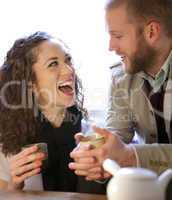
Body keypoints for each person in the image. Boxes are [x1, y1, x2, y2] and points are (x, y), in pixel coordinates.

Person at [69, 0, 172, 181]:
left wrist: (130, 156)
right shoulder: (121, 77)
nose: (111, 47)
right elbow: (116, 134)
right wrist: (97, 153)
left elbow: (126, 154)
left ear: (151, 32)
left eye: (117, 36)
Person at [0, 31, 86, 191]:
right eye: (53, 64)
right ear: (30, 82)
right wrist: (15, 184)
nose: (69, 70)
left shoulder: (88, 132)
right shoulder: (8, 141)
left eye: (68, 60)